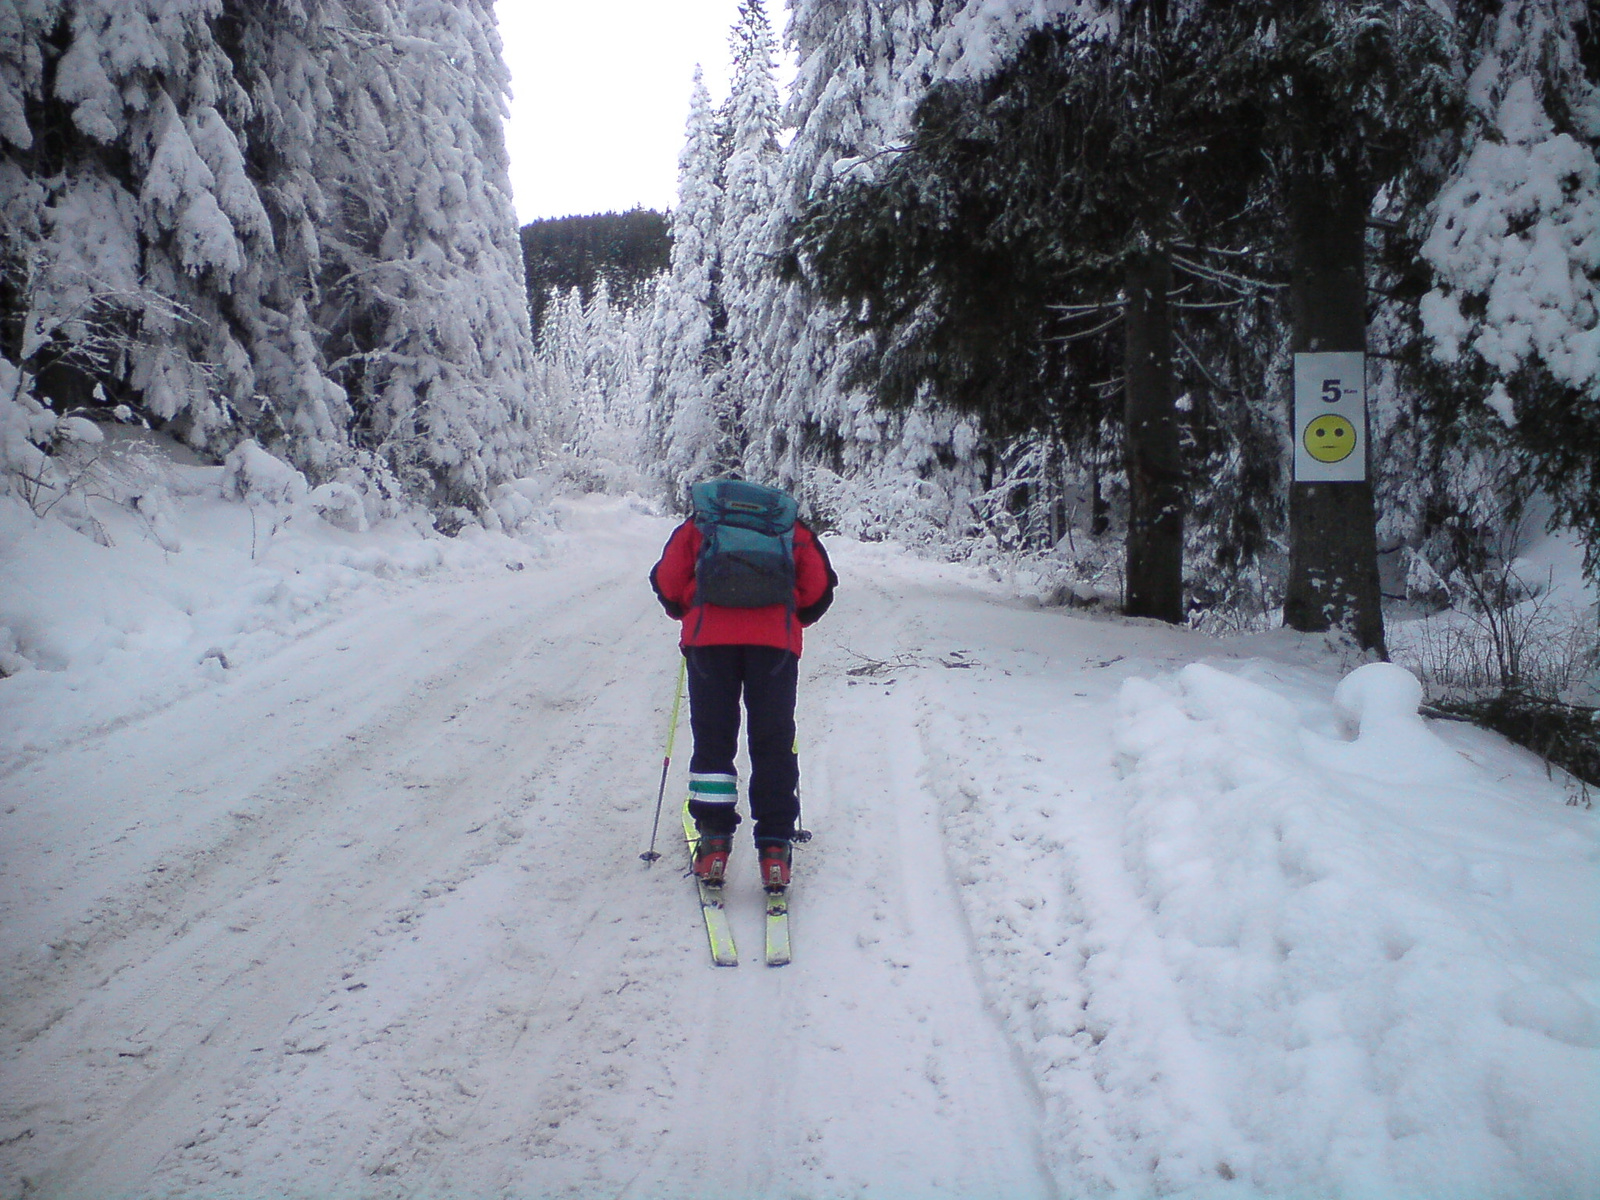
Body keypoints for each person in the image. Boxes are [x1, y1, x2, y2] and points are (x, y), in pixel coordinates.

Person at [649, 478, 837, 891]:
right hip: (775, 646)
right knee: (773, 739)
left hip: (708, 643)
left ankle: (714, 842)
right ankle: (774, 848)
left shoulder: (699, 526)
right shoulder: (791, 530)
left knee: (714, 738)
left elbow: (666, 579)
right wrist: (789, 620)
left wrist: (687, 609)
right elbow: (820, 587)